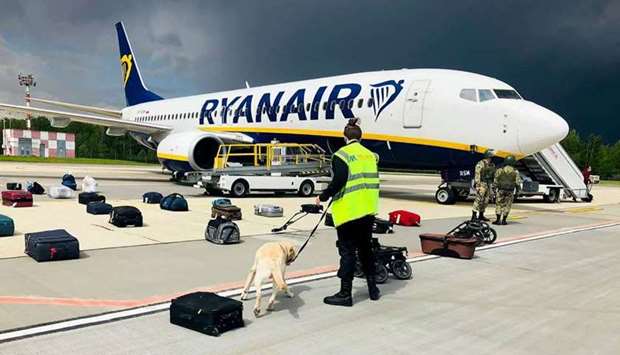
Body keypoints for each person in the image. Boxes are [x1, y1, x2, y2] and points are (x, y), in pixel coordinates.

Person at [316, 118, 380, 307]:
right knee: (366, 250)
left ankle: (345, 294)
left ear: (345, 137)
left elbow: (340, 180)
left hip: (349, 212)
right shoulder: (370, 155)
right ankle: (373, 289)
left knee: (348, 253)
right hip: (368, 210)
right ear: (360, 137)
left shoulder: (341, 155)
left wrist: (324, 196)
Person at [493, 155, 522, 225]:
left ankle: (497, 220)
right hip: (510, 191)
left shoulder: (500, 170)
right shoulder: (516, 172)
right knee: (507, 205)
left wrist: (494, 190)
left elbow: (495, 181)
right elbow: (518, 183)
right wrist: (518, 192)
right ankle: (504, 220)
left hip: (500, 190)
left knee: (499, 204)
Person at [471, 149, 496, 221]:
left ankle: (481, 215)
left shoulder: (492, 165)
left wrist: (493, 186)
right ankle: (474, 215)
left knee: (486, 200)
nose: (491, 159)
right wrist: (478, 185)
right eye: (490, 157)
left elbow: (493, 175)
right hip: (482, 183)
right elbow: (477, 174)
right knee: (479, 199)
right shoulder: (480, 164)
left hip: (488, 184)